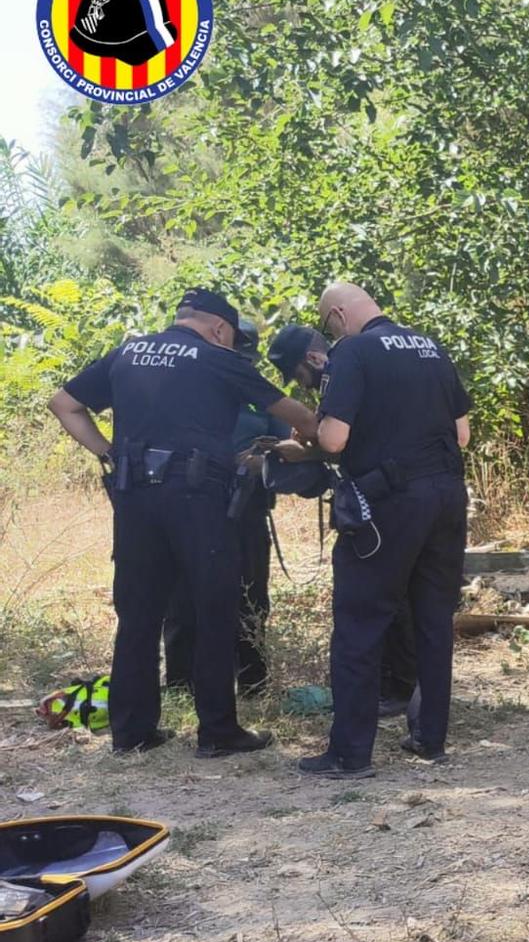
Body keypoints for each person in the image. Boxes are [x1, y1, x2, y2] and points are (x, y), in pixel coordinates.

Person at [47, 288, 318, 757]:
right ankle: (218, 732)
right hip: (198, 499)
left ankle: (131, 732)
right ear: (220, 328)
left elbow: (64, 404)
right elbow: (302, 419)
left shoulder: (127, 351)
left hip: (134, 498)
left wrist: (109, 454)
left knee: (138, 615)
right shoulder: (219, 358)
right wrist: (309, 438)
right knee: (214, 608)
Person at [296, 283, 471, 777]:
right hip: (447, 497)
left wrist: (311, 432)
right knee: (434, 621)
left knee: (360, 623)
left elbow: (334, 438)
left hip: (388, 503)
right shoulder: (430, 346)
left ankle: (349, 754)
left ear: (337, 314)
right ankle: (429, 738)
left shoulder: (352, 351)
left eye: (330, 327)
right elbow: (462, 433)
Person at [267, 324, 420, 718]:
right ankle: (401, 685)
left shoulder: (343, 370)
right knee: (398, 596)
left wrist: (305, 451)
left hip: (385, 497)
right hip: (408, 493)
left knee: (381, 597)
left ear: (314, 359)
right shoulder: (375, 363)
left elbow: (338, 442)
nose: (304, 386)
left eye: (301, 376)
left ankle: (397, 687)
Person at [162, 315, 291, 698]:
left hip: (247, 505)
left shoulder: (260, 393)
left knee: (251, 594)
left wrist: (260, 460)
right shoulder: (185, 388)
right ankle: (181, 683)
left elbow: (284, 445)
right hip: (192, 503)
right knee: (182, 596)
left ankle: (253, 681)